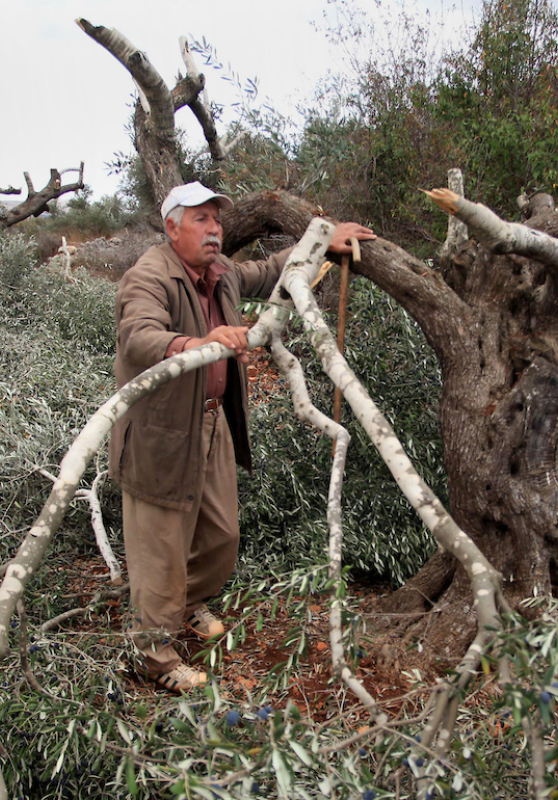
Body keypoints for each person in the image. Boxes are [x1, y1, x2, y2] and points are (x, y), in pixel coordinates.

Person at [110, 181, 374, 692]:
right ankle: (154, 658)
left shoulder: (220, 272)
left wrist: (324, 239)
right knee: (160, 549)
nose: (214, 231)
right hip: (160, 436)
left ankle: (187, 603)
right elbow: (137, 335)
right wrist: (196, 342)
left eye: (217, 220)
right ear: (172, 227)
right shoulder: (149, 275)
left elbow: (269, 270)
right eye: (201, 220)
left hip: (211, 423)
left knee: (222, 536)